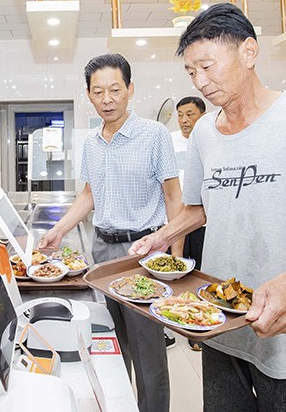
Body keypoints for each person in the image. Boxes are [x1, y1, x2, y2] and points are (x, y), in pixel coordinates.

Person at [129, 3, 286, 411]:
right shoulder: (205, 131)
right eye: (191, 72)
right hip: (219, 322)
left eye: (207, 66)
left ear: (248, 51)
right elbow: (199, 208)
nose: (201, 81)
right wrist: (162, 236)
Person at [38, 53, 181, 412]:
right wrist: (58, 230)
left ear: (130, 89)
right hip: (102, 251)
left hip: (144, 254)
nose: (107, 99)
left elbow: (173, 197)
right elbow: (89, 195)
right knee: (112, 345)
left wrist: (176, 259)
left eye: (115, 89)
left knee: (148, 353)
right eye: (98, 91)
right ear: (88, 94)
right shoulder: (91, 142)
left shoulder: (154, 135)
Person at [169, 95, 207, 351]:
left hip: (202, 224)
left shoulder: (209, 140)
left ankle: (197, 329)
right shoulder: (169, 141)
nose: (184, 120)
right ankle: (170, 325)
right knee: (171, 275)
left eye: (190, 114)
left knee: (198, 277)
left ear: (202, 115)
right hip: (172, 222)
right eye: (180, 115)